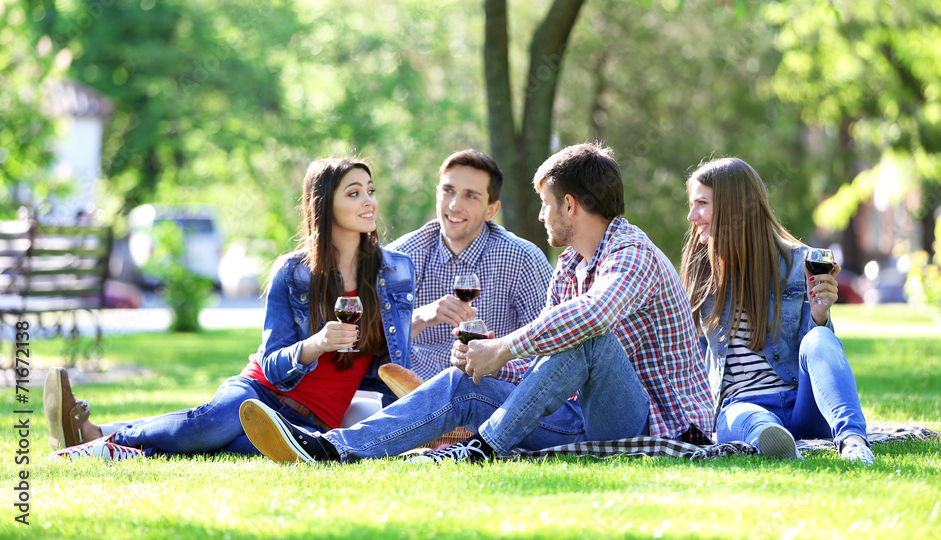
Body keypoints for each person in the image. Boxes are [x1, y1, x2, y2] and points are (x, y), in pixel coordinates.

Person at [238, 142, 715, 464]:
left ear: (570, 205)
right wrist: (486, 361)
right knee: (461, 383)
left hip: (651, 423)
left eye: (546, 204)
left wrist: (503, 347)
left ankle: (480, 449)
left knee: (591, 339)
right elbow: (547, 369)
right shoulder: (570, 265)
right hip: (578, 419)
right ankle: (330, 449)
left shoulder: (632, 253)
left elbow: (592, 318)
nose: (541, 215)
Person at [45, 157, 416, 459]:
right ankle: (98, 439)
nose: (369, 202)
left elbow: (393, 365)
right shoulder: (293, 272)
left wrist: (408, 431)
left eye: (370, 191)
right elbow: (272, 363)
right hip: (260, 393)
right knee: (206, 430)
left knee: (223, 448)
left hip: (310, 424)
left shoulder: (395, 271)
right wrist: (316, 344)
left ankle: (101, 438)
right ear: (325, 205)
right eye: (354, 193)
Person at [680, 157, 874, 465]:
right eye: (692, 205)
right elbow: (692, 357)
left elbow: (819, 355)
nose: (692, 216)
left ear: (734, 207)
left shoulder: (801, 263)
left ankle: (853, 442)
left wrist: (820, 315)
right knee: (740, 417)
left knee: (820, 338)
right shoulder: (702, 270)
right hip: (743, 406)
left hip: (803, 404)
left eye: (701, 204)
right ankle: (772, 439)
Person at [388, 149, 552, 380]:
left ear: (491, 210)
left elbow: (546, 349)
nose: (455, 205)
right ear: (437, 194)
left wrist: (494, 364)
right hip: (412, 389)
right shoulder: (400, 257)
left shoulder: (523, 259)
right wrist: (418, 318)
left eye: (471, 196)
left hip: (489, 390)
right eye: (448, 191)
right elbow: (369, 346)